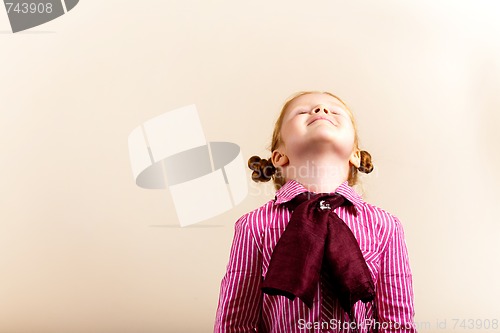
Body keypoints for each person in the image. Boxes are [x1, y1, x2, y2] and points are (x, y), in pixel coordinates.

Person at [214, 91, 417, 332]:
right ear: (279, 156)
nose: (321, 109)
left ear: (355, 155)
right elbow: (236, 323)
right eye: (302, 112)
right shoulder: (254, 226)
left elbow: (397, 324)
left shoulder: (385, 226)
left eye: (334, 110)